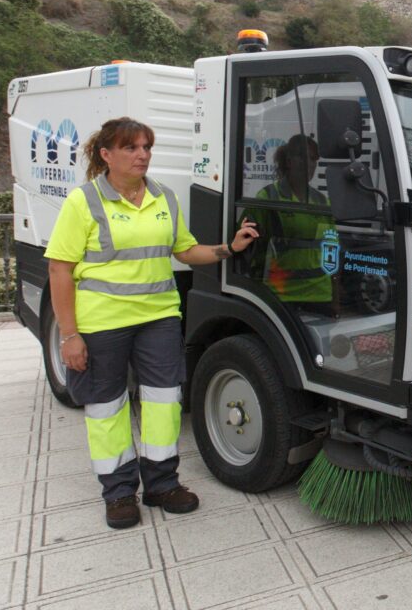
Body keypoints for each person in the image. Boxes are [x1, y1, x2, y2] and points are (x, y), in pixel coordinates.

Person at [46, 117, 258, 529]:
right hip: (103, 322)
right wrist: (69, 336)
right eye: (131, 148)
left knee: (164, 401)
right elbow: (59, 270)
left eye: (146, 147)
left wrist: (227, 248)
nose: (142, 155)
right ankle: (120, 493)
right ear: (106, 154)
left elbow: (184, 250)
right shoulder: (83, 202)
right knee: (107, 406)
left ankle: (162, 484)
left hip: (158, 318)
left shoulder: (162, 196)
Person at [250, 134, 340, 313]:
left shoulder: (323, 202)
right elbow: (249, 251)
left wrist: (336, 298)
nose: (310, 163)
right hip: (282, 296)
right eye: (304, 157)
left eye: (314, 159)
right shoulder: (268, 198)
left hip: (320, 295)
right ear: (289, 161)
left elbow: (332, 250)